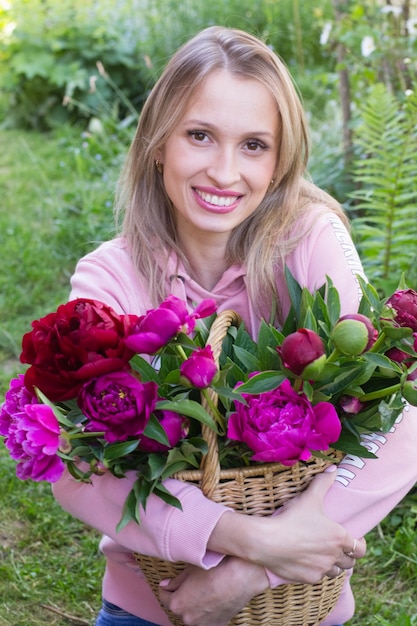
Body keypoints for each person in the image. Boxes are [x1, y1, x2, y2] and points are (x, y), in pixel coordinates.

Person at [51, 26, 417, 626]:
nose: (225, 172)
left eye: (254, 145)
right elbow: (78, 465)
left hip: (296, 605)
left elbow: (397, 413)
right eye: (200, 136)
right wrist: (244, 537)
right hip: (157, 602)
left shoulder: (310, 238)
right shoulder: (110, 279)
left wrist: (253, 572)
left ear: (280, 163)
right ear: (157, 143)